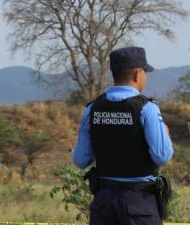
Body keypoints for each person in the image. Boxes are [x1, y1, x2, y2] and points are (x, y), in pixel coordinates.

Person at [72, 46, 173, 225]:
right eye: (145, 72)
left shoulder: (92, 109)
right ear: (137, 74)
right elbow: (162, 156)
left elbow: (81, 160)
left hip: (103, 204)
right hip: (140, 203)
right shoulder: (147, 109)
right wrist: (164, 132)